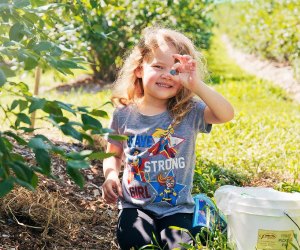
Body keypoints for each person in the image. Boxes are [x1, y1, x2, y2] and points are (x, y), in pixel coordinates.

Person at [102, 26, 234, 249]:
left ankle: (203, 212)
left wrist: (196, 85)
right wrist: (111, 175)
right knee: (135, 243)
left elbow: (226, 114)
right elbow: (112, 153)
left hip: (178, 208)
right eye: (157, 66)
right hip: (135, 206)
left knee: (178, 246)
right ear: (139, 69)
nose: (166, 74)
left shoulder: (189, 111)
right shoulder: (124, 114)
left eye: (174, 70)